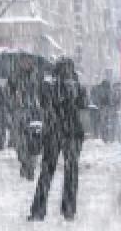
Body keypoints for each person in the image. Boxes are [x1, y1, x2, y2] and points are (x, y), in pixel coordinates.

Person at [29, 57, 86, 221]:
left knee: (47, 171)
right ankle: (68, 209)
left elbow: (43, 102)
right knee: (71, 171)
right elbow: (83, 104)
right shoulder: (76, 86)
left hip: (54, 132)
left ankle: (38, 210)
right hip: (72, 132)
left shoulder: (50, 86)